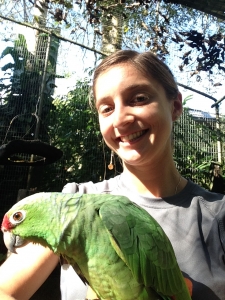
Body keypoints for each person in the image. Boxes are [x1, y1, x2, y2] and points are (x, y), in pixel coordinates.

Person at [0, 49, 225, 300]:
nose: (119, 119)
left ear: (175, 106)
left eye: (139, 98)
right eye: (106, 108)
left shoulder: (217, 217)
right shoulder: (72, 207)